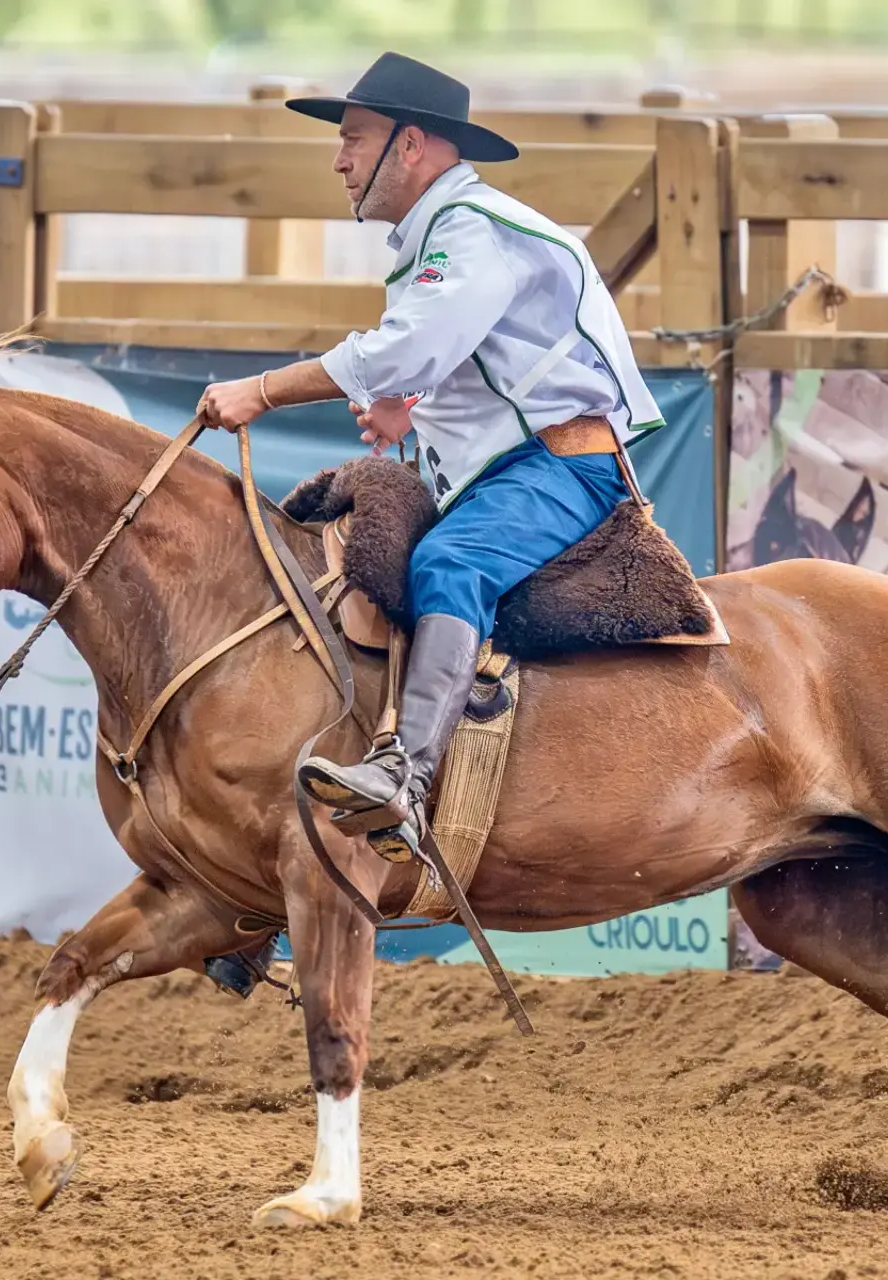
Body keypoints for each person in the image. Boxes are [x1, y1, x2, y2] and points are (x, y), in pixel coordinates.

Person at [197, 51, 663, 863]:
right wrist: (406, 401)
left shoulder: (468, 233)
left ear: (410, 146)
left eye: (353, 139)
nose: (339, 159)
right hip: (528, 466)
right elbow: (483, 351)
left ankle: (403, 779)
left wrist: (265, 390)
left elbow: (411, 346)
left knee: (449, 563)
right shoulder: (451, 234)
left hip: (562, 471)